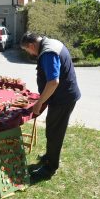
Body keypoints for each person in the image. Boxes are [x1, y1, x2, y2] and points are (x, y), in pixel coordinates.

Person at [20, 32, 81, 181]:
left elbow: (53, 82)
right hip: (62, 96)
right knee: (52, 127)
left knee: (55, 132)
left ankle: (50, 167)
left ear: (32, 45)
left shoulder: (48, 53)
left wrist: (39, 103)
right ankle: (49, 156)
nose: (30, 53)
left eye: (27, 50)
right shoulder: (50, 43)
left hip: (63, 99)